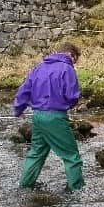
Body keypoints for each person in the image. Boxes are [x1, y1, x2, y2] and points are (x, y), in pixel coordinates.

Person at [14, 42, 85, 192]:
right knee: (71, 156)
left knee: (36, 153)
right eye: (75, 60)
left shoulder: (38, 68)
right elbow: (72, 96)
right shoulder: (67, 69)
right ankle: (77, 191)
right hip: (56, 117)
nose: (74, 63)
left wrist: (18, 110)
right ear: (71, 55)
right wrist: (67, 106)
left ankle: (24, 186)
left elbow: (24, 91)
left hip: (38, 116)